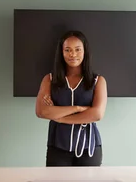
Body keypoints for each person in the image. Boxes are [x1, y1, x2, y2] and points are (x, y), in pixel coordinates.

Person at [35, 30, 107, 166]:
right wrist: (78, 108)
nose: (72, 54)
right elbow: (42, 112)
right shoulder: (50, 79)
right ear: (61, 53)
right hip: (58, 146)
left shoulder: (98, 81)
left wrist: (60, 117)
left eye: (77, 49)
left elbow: (97, 114)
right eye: (67, 50)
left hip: (89, 147)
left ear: (85, 51)